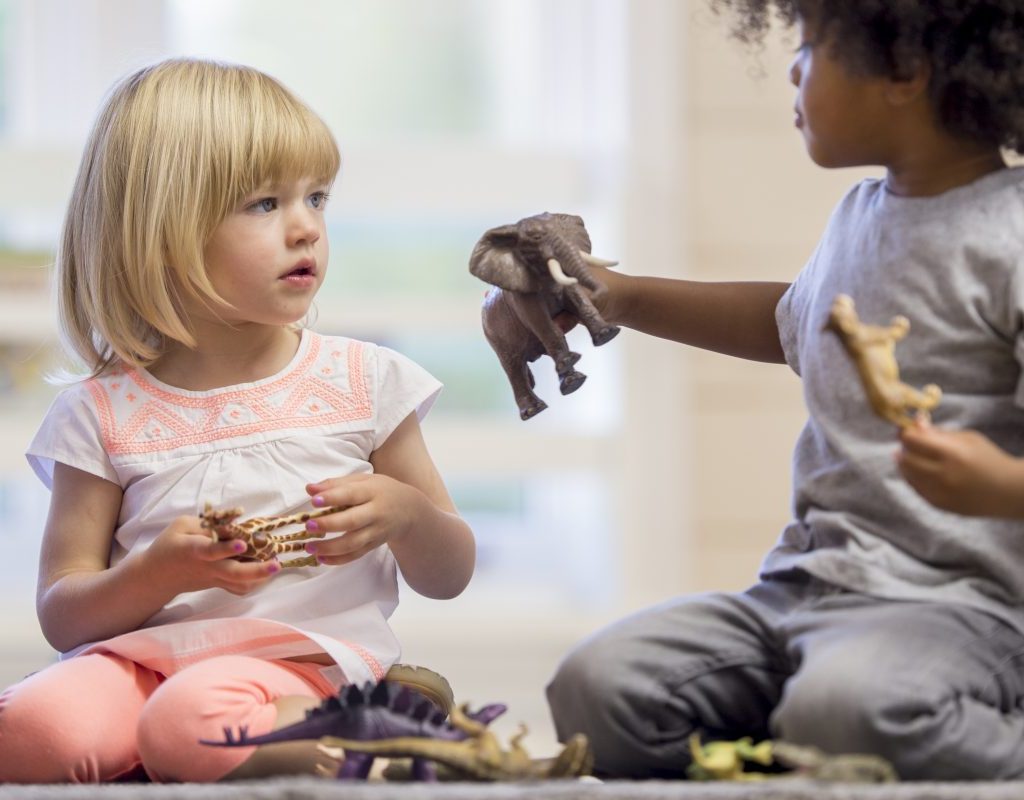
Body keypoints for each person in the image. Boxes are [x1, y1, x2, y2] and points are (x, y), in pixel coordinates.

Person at [547, 0, 1024, 781]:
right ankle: (815, 753)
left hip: (966, 610)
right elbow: (788, 324)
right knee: (601, 687)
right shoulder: (859, 215)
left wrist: (1001, 484)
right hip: (803, 590)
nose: (793, 71)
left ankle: (851, 734)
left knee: (847, 709)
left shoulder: (1012, 232)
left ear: (905, 70)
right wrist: (621, 296)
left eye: (809, 49)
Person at [0, 58, 475, 784]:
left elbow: (450, 573)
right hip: (138, 666)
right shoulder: (100, 413)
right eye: (264, 204)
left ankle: (381, 737)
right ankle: (183, 754)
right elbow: (64, 616)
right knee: (27, 728)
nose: (306, 228)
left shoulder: (362, 381)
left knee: (191, 722)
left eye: (316, 198)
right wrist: (157, 573)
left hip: (301, 669)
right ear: (161, 235)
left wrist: (407, 516)